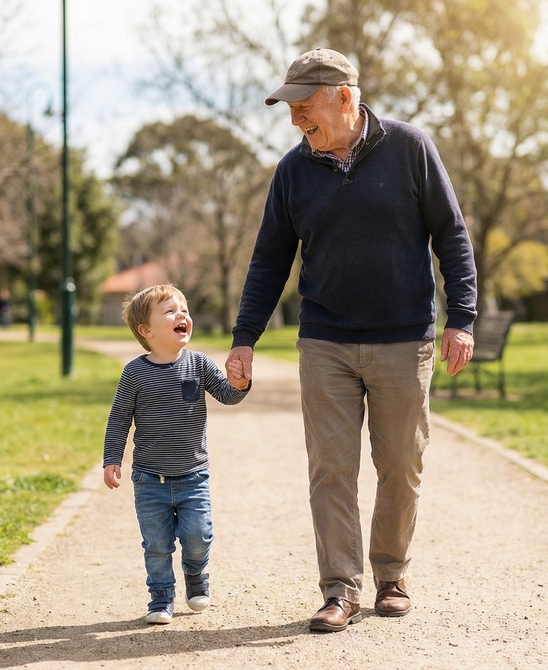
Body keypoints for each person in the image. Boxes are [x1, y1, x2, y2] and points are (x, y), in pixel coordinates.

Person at [227, 48, 477, 632]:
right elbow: (268, 262)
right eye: (288, 108)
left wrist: (461, 318)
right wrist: (244, 339)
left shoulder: (410, 148)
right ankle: (340, 588)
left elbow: (453, 237)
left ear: (344, 97)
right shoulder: (292, 171)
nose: (295, 120)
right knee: (331, 468)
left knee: (401, 463)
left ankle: (391, 575)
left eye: (303, 106)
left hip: (402, 338)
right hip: (326, 340)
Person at [103, 285, 250, 624]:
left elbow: (227, 395)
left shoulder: (199, 364)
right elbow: (119, 419)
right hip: (149, 479)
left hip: (192, 477)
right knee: (156, 545)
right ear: (147, 331)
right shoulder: (134, 373)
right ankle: (160, 598)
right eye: (170, 311)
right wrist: (112, 459)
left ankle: (196, 575)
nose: (181, 315)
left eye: (184, 309)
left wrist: (240, 384)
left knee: (198, 537)